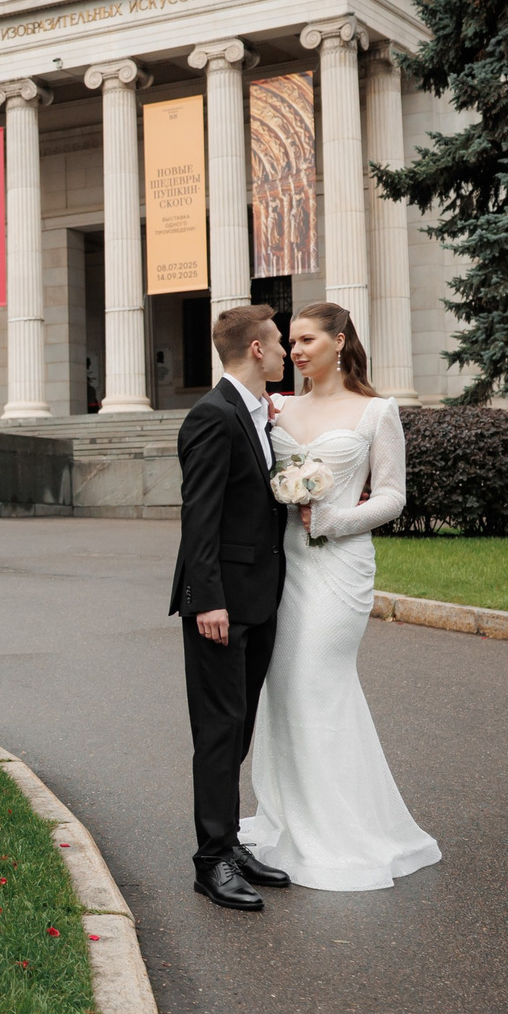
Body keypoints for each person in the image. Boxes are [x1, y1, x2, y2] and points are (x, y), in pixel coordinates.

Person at [236, 301, 440, 892]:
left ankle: (338, 829)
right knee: (285, 689)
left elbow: (394, 496)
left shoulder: (378, 411)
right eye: (291, 342)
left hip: (340, 565)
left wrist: (332, 519)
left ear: (339, 341)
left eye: (306, 340)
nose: (295, 351)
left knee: (317, 683)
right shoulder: (277, 408)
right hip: (284, 570)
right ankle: (293, 816)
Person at [169, 304, 296, 911]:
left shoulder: (256, 414)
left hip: (258, 599)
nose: (284, 352)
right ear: (254, 350)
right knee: (219, 730)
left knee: (239, 727)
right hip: (221, 606)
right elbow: (200, 516)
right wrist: (207, 601)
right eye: (276, 343)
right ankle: (210, 861)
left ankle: (229, 841)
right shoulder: (211, 416)